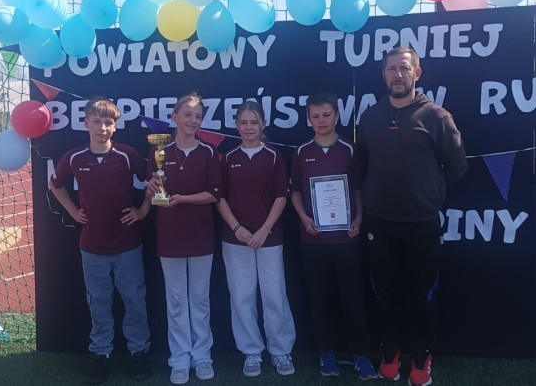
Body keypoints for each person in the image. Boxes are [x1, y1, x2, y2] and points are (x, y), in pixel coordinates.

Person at [357, 46, 468, 386]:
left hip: (422, 223)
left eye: (404, 68)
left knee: (424, 296)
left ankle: (421, 359)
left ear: (416, 73)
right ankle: (389, 355)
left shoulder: (436, 116)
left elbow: (457, 166)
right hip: (379, 222)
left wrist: (429, 192)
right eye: (391, 68)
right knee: (383, 294)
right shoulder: (370, 117)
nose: (398, 74)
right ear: (384, 75)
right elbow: (362, 165)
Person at [49, 97, 152, 385]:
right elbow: (55, 184)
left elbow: (154, 182)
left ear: (115, 126)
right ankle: (101, 354)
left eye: (108, 123)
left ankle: (138, 352)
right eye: (97, 121)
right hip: (92, 246)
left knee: (134, 300)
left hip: (127, 244)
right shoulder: (74, 156)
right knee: (98, 302)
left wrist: (143, 210)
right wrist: (73, 211)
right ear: (86, 123)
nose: (102, 128)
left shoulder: (127, 155)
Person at [290, 92, 378, 380]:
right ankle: (326, 353)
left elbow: (357, 190)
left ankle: (360, 354)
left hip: (346, 238)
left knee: (353, 298)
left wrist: (359, 218)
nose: (321, 121)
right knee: (319, 300)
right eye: (315, 116)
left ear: (337, 116)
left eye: (326, 115)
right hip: (313, 239)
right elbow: (295, 191)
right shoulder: (302, 152)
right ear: (308, 119)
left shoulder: (350, 149)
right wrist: (304, 218)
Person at [216, 100, 296, 378]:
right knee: (242, 297)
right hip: (235, 238)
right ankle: (251, 352)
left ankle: (280, 350)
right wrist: (237, 227)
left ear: (263, 124)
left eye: (254, 122)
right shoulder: (228, 158)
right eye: (243, 122)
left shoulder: (274, 156)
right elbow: (219, 198)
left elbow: (281, 196)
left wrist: (265, 229)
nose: (248, 127)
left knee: (274, 296)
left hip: (269, 238)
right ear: (236, 125)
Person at [147, 93, 221, 385]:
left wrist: (182, 199)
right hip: (170, 237)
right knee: (176, 300)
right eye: (187, 114)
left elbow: (214, 193)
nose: (193, 120)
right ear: (174, 117)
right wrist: (153, 189)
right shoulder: (158, 151)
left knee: (200, 300)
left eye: (198, 116)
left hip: (201, 236)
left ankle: (202, 357)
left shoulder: (209, 152)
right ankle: (179, 359)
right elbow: (152, 191)